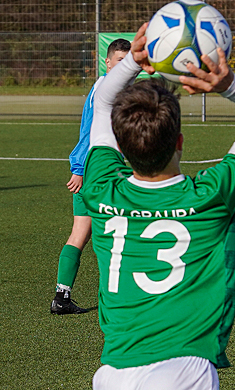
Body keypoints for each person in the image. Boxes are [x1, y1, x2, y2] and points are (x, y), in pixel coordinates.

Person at [88, 24, 235, 389]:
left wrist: (133, 60)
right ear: (180, 140)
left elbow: (101, 100)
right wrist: (229, 85)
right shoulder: (210, 196)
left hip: (112, 372)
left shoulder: (102, 190)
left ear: (119, 145)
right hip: (182, 372)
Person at [50, 38, 131, 315]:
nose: (125, 67)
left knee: (80, 234)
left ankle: (62, 296)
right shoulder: (107, 88)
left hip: (93, 170)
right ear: (107, 63)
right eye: (120, 61)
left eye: (128, 62)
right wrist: (80, 168)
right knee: (118, 233)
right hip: (96, 173)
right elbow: (89, 132)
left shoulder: (113, 89)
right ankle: (121, 296)